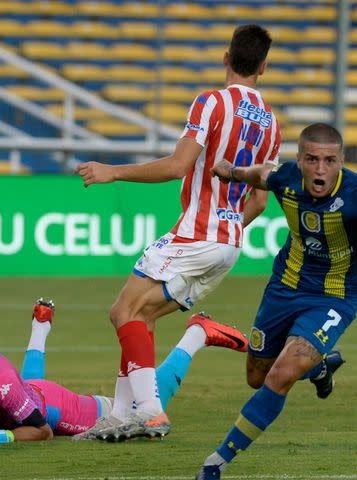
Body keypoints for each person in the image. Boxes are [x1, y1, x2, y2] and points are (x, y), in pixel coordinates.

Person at [192, 123, 357, 480]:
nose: (321, 169)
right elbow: (262, 175)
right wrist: (230, 171)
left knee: (282, 374)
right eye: (312, 159)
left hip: (334, 298)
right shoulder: (287, 179)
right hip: (284, 286)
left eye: (329, 160)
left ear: (340, 161)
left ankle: (215, 463)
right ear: (301, 160)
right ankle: (321, 365)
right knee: (256, 378)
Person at [74, 24, 281, 441]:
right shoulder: (273, 125)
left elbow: (176, 166)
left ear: (226, 58)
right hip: (229, 243)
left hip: (196, 234)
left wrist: (113, 171)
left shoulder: (211, 103)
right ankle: (119, 414)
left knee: (121, 312)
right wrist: (225, 232)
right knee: (140, 316)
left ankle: (150, 411)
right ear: (263, 66)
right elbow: (258, 200)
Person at [0, 299, 247, 446]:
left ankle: (197, 334)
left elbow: (41, 430)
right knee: (19, 392)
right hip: (24, 392)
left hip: (55, 408)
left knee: (135, 410)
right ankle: (39, 326)